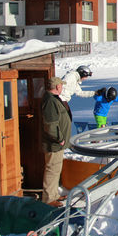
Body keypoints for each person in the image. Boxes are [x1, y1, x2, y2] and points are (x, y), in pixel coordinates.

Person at [41, 77, 71, 207]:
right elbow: (50, 125)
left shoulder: (53, 99)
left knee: (55, 169)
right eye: (61, 85)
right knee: (52, 170)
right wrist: (60, 139)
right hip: (54, 143)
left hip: (57, 144)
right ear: (57, 86)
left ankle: (54, 195)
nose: (62, 87)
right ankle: (48, 199)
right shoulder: (50, 101)